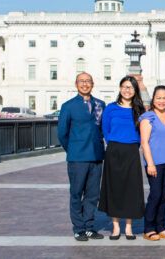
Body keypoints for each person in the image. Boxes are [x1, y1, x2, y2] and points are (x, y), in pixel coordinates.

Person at [57, 72, 106, 242]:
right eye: (81, 81)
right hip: (77, 157)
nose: (85, 84)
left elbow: (102, 130)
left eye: (88, 81)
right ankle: (79, 228)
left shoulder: (100, 104)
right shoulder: (68, 106)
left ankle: (90, 226)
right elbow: (62, 133)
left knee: (93, 194)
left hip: (97, 156)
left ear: (92, 84)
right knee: (77, 193)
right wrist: (72, 149)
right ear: (76, 84)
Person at [99, 76, 145, 240]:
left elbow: (143, 133)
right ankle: (116, 226)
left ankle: (129, 227)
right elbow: (105, 130)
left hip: (132, 151)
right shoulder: (111, 108)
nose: (127, 90)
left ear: (135, 90)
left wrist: (134, 145)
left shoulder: (139, 110)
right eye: (125, 87)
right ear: (120, 88)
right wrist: (114, 143)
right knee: (115, 187)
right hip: (114, 150)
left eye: (131, 87)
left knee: (131, 188)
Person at [139, 85, 165, 241]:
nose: (162, 101)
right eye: (158, 98)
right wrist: (150, 163)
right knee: (155, 195)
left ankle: (160, 227)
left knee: (164, 196)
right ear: (153, 99)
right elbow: (144, 142)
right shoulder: (148, 117)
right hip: (155, 163)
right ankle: (149, 228)